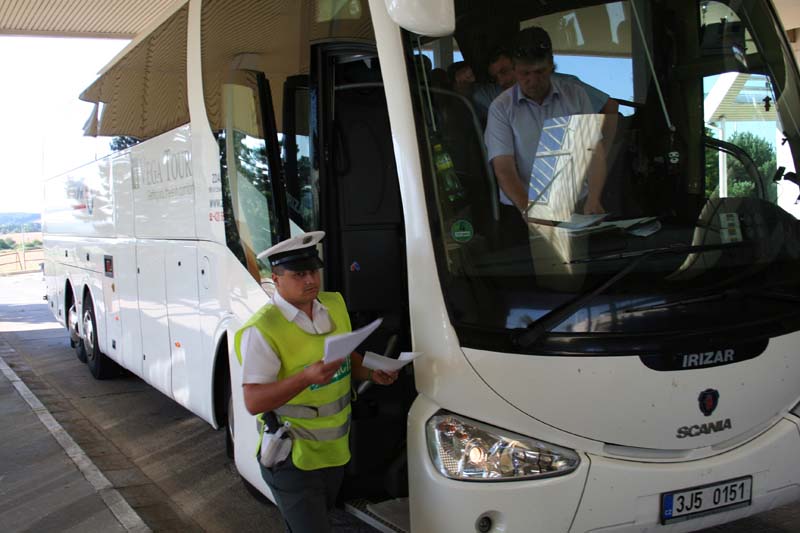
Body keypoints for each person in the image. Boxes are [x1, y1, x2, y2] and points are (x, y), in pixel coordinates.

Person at [235, 230, 398, 533]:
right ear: (276, 278)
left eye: (313, 271)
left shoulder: (333, 304)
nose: (310, 279)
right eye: (299, 274)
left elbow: (346, 358)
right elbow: (254, 401)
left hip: (334, 453)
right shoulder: (263, 328)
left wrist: (371, 371)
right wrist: (305, 378)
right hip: (292, 458)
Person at [484, 27, 610, 227]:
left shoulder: (575, 96)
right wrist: (529, 209)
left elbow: (593, 151)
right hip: (521, 208)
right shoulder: (501, 108)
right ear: (514, 69)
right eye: (525, 73)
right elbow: (504, 168)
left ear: (551, 65)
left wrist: (594, 197)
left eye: (540, 72)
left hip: (577, 206)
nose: (533, 81)